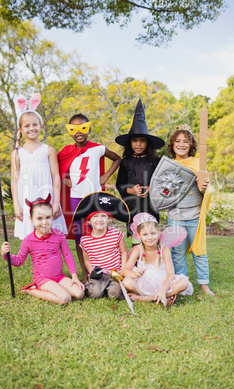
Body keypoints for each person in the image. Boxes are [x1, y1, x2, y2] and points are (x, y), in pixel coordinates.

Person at [58, 114, 121, 282]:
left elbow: (117, 158)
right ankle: (85, 274)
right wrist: (65, 180)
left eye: (83, 128)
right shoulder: (66, 151)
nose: (79, 132)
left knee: (98, 232)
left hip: (94, 199)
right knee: (80, 236)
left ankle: (102, 267)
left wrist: (106, 175)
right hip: (76, 199)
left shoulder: (98, 148)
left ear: (89, 129)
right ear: (70, 132)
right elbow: (56, 169)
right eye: (74, 129)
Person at [0, 194, 84, 305]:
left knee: (79, 294)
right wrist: (6, 254)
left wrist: (74, 276)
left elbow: (67, 255)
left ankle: (57, 287)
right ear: (31, 219)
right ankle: (33, 290)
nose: (44, 222)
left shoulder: (59, 235)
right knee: (65, 298)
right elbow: (19, 261)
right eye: (39, 218)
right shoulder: (29, 240)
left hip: (59, 276)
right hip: (43, 279)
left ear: (52, 216)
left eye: (48, 217)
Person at [166, 124, 215, 296]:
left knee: (199, 249)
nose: (181, 144)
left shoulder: (198, 163)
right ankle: (182, 283)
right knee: (177, 251)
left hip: (194, 215)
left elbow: (207, 190)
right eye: (177, 141)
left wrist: (203, 187)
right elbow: (164, 191)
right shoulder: (168, 165)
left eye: (186, 141)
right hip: (175, 215)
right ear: (172, 145)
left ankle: (203, 284)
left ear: (191, 145)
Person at [12, 93, 67, 240]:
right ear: (21, 129)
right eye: (27, 125)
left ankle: (51, 263)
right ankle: (36, 264)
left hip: (47, 198)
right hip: (26, 199)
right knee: (31, 238)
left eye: (35, 124)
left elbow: (56, 177)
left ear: (41, 126)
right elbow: (15, 180)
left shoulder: (48, 150)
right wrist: (16, 206)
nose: (32, 128)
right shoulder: (17, 153)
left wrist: (56, 203)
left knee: (50, 237)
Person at [115, 99, 165, 242]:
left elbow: (163, 182)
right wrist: (130, 190)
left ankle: (152, 262)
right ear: (130, 143)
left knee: (151, 239)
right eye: (135, 140)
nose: (138, 144)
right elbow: (120, 183)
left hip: (150, 206)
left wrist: (153, 188)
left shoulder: (156, 161)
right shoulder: (126, 162)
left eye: (142, 141)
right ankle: (136, 262)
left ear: (147, 143)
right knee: (136, 239)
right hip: (132, 206)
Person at [122, 213, 193, 305]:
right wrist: (135, 274)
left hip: (163, 282)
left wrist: (163, 290)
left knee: (183, 283)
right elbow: (125, 270)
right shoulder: (137, 250)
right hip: (144, 282)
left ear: (158, 232)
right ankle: (155, 297)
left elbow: (170, 274)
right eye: (145, 234)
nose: (150, 238)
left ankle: (154, 296)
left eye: (153, 233)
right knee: (127, 282)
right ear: (139, 236)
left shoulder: (164, 249)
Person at [72, 191, 130, 300]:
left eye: (104, 216)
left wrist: (123, 269)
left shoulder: (116, 234)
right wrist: (91, 271)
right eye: (95, 216)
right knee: (95, 294)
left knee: (115, 294)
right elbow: (87, 261)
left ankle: (113, 288)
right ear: (88, 220)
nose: (100, 220)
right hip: (97, 275)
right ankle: (97, 287)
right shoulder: (85, 240)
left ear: (110, 219)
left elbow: (124, 252)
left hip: (114, 273)